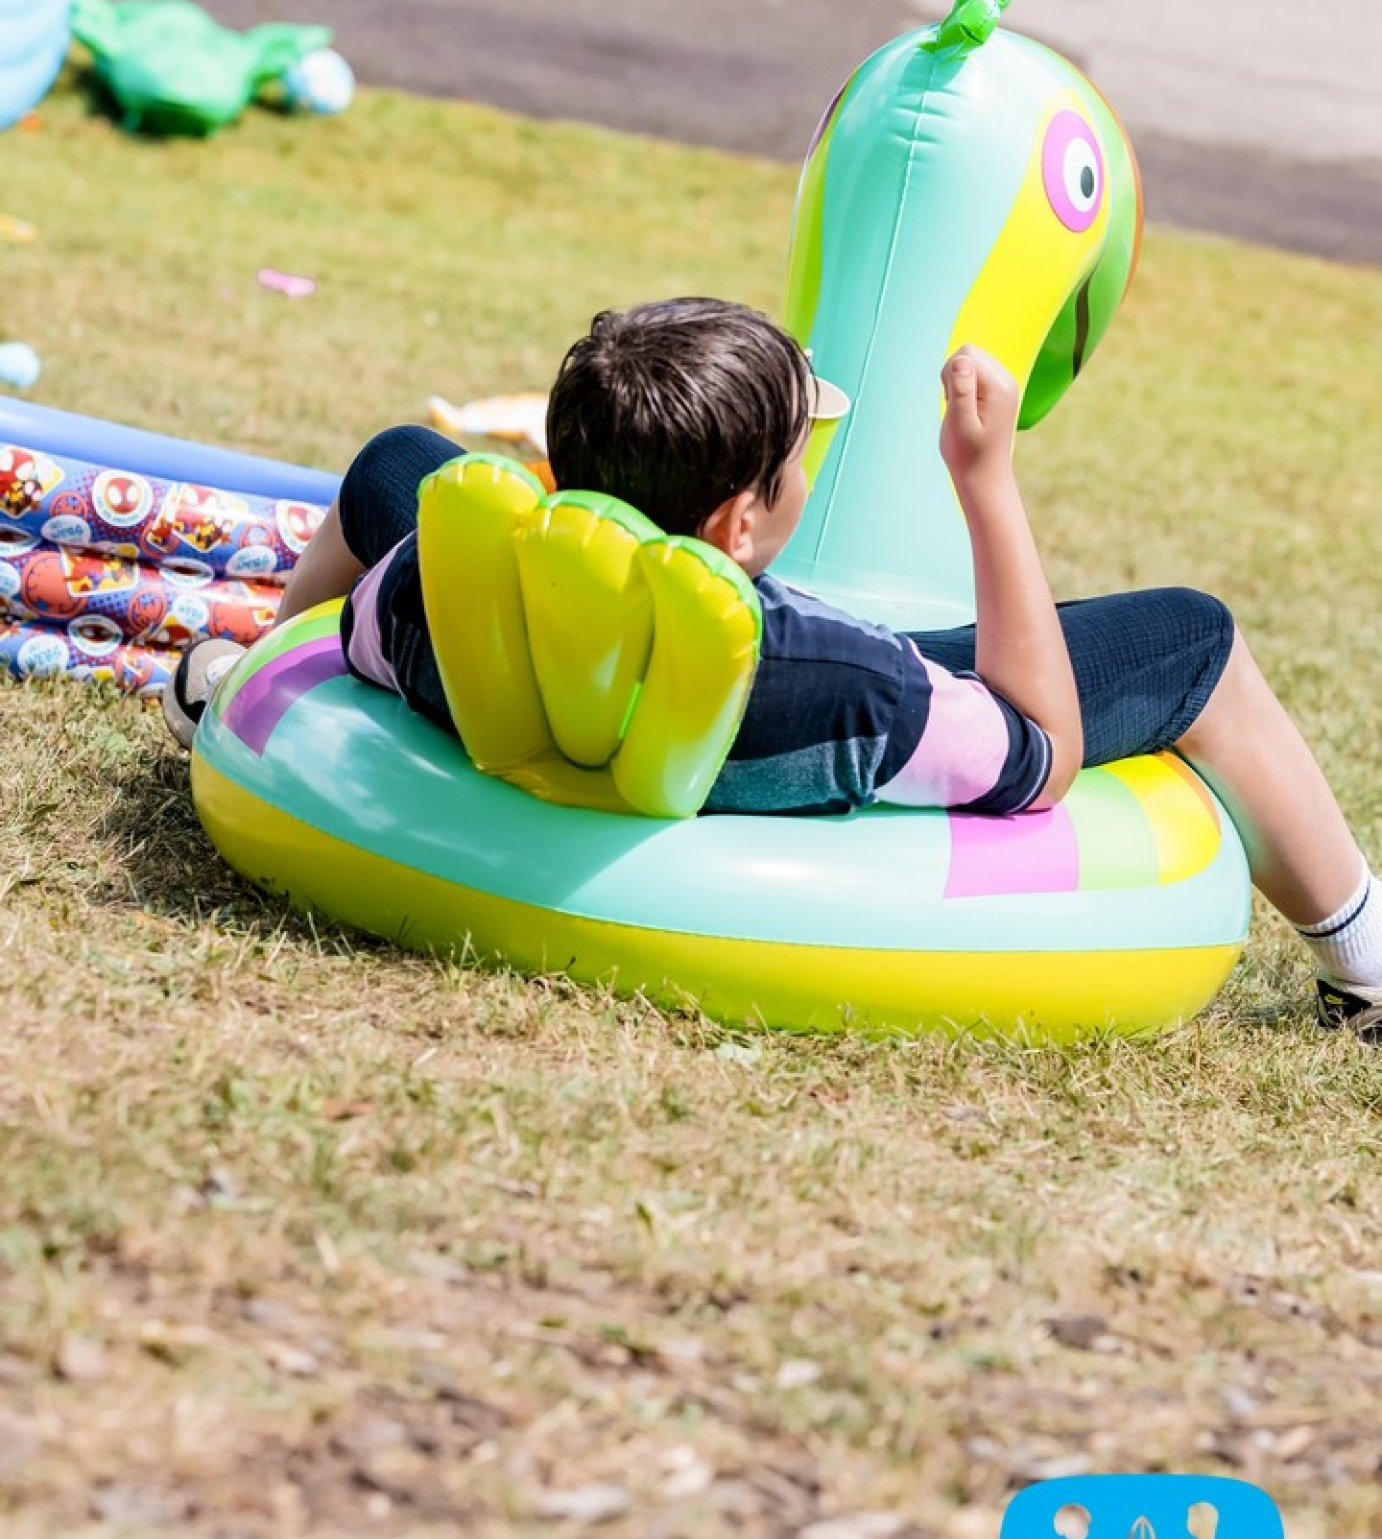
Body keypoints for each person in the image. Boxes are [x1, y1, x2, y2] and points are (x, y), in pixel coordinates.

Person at [165, 297, 1382, 1042]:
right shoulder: (844, 681)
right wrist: (986, 481)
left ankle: (218, 686)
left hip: (531, 653)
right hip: (759, 705)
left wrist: (271, 681)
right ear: (740, 523)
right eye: (795, 459)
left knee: (397, 458)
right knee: (1195, 636)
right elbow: (1038, 752)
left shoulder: (436, 579)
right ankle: (1363, 961)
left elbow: (348, 642)